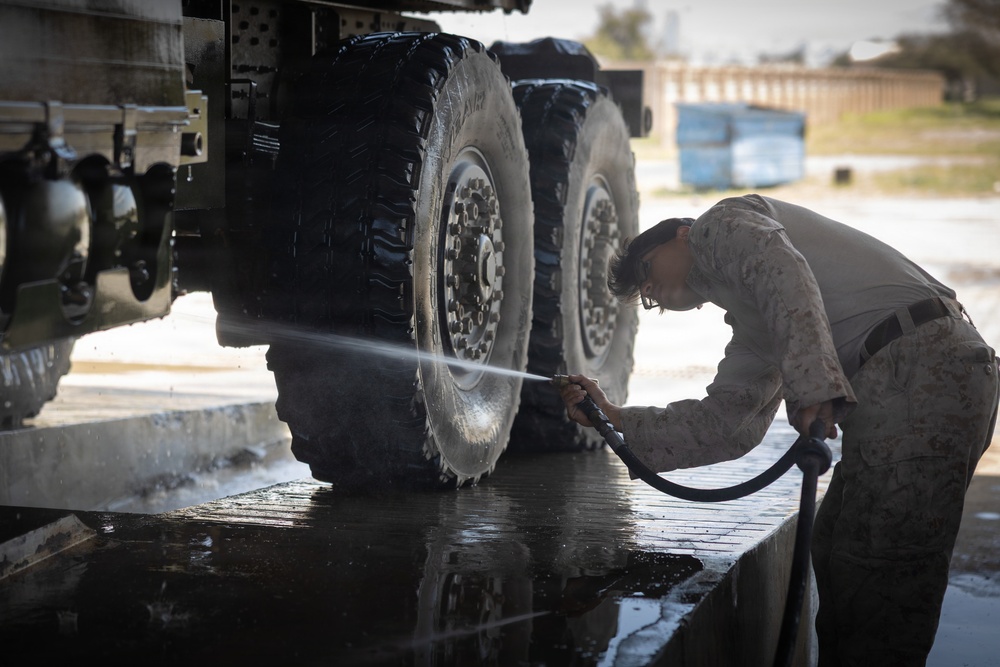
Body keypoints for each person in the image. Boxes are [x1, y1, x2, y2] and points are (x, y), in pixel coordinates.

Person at [559, 194, 999, 666]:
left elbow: (783, 274)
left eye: (647, 269)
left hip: (924, 367)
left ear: (681, 234)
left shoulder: (720, 225)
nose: (650, 290)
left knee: (880, 571)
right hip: (908, 381)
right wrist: (614, 416)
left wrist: (813, 388)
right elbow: (729, 424)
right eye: (644, 296)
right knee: (837, 546)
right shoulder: (758, 321)